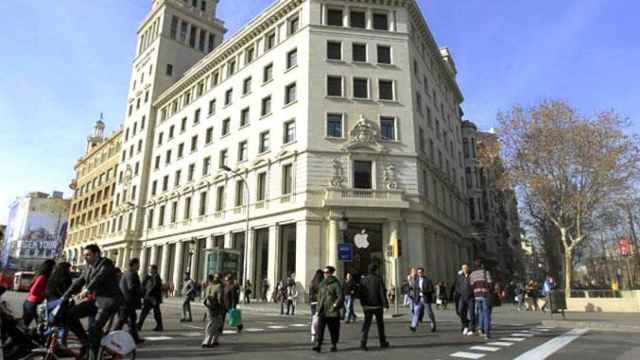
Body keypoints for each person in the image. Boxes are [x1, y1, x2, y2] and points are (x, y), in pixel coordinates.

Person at [63, 244, 123, 360]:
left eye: (88, 255)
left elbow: (98, 278)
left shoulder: (106, 264)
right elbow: (78, 282)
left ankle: (93, 357)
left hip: (109, 301)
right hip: (96, 301)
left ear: (97, 254)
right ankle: (85, 340)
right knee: (69, 315)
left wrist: (87, 289)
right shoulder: (88, 267)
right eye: (84, 255)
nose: (85, 258)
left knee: (94, 329)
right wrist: (64, 296)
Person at [358, 263, 390, 351]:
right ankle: (382, 342)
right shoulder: (378, 279)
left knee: (366, 325)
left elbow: (360, 294)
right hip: (378, 306)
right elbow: (382, 292)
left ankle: (363, 343)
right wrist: (385, 304)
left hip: (367, 306)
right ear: (375, 270)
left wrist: (363, 304)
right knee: (380, 325)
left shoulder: (363, 280)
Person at [313, 266, 343, 353]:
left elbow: (340, 296)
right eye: (324, 273)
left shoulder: (336, 283)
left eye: (326, 273)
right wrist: (318, 309)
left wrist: (335, 304)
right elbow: (320, 296)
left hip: (332, 310)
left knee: (333, 329)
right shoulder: (322, 283)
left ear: (330, 273)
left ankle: (334, 344)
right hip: (322, 310)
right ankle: (318, 344)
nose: (325, 274)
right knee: (320, 328)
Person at [115, 258, 143, 344]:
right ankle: (112, 337)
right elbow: (132, 287)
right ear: (134, 264)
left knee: (132, 320)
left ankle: (135, 338)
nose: (139, 266)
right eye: (138, 264)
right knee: (121, 321)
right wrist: (142, 290)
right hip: (128, 302)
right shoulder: (131, 274)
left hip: (126, 301)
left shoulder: (126, 273)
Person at [22, 259, 55, 327]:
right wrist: (44, 295)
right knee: (42, 326)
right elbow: (33, 290)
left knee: (24, 325)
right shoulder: (42, 277)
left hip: (29, 302)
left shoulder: (39, 276)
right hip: (34, 304)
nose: (54, 269)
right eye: (54, 267)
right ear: (50, 268)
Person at [470, 259, 493, 339]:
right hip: (485, 295)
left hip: (477, 295)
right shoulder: (486, 273)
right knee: (486, 314)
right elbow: (490, 284)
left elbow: (472, 285)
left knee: (480, 313)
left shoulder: (472, 274)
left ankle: (481, 330)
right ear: (481, 265)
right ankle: (487, 332)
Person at [409, 267, 436, 333]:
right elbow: (415, 290)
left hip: (426, 299)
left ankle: (433, 325)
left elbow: (432, 290)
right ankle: (413, 326)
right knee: (416, 312)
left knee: (429, 313)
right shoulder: (416, 281)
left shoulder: (428, 280)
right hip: (418, 299)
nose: (419, 273)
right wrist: (415, 298)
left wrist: (424, 291)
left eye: (421, 272)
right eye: (418, 272)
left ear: (423, 273)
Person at [137, 264, 164, 331]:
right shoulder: (150, 277)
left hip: (153, 298)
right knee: (149, 312)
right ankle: (159, 325)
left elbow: (154, 287)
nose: (149, 270)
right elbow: (143, 284)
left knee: (153, 312)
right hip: (149, 297)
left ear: (154, 270)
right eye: (149, 269)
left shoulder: (157, 277)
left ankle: (159, 326)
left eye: (150, 269)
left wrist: (148, 293)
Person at [451, 264, 475, 336]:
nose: (464, 269)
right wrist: (459, 292)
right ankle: (465, 325)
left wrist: (472, 292)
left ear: (468, 268)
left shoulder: (472, 275)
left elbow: (474, 285)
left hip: (471, 297)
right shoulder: (460, 276)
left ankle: (471, 329)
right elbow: (457, 285)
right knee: (460, 311)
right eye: (463, 268)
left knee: (472, 313)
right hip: (462, 297)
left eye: (465, 268)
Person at [202, 273, 224, 348]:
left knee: (216, 323)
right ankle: (207, 341)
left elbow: (205, 297)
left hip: (209, 306)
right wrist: (222, 307)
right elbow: (220, 298)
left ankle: (215, 340)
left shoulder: (209, 286)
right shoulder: (219, 286)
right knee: (214, 324)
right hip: (215, 307)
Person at [309, 269, 323, 343]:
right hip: (320, 303)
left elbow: (310, 295)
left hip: (313, 303)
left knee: (314, 318)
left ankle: (313, 334)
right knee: (320, 320)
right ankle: (318, 335)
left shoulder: (312, 283)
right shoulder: (322, 283)